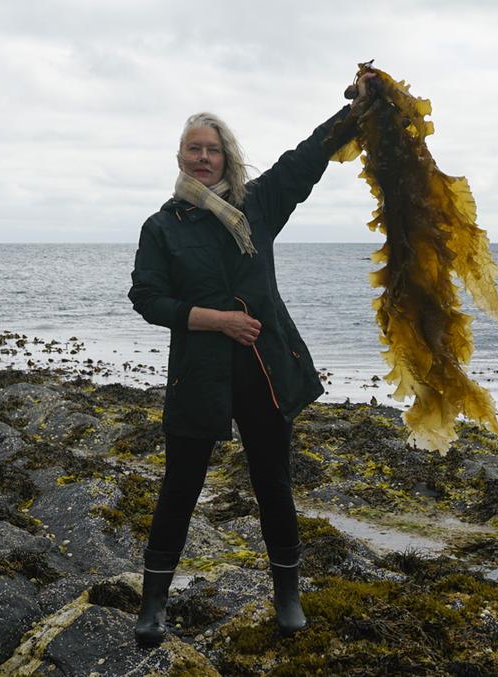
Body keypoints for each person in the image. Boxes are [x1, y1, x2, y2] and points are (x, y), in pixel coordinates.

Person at [127, 73, 375, 647]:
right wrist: (216, 321)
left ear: (227, 157)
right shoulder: (161, 227)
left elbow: (304, 160)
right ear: (181, 157)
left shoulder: (258, 206)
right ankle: (153, 604)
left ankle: (287, 594)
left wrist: (356, 113)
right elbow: (147, 299)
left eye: (214, 149)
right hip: (200, 374)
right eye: (195, 148)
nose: (204, 157)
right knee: (180, 488)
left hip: (266, 368)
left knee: (273, 484)